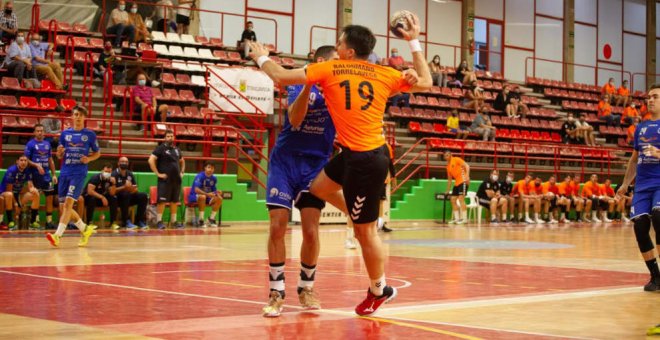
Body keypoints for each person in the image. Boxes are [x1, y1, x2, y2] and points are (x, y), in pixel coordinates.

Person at [247, 13, 432, 316]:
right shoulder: (382, 72)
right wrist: (413, 41)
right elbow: (426, 82)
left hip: (365, 160)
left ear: (346, 51)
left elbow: (279, 75)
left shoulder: (332, 68)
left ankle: (378, 289)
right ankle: (360, 216)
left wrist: (261, 57)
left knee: (364, 234)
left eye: (339, 42)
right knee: (317, 188)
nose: (337, 45)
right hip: (347, 155)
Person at [260, 45, 339, 317]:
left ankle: (306, 287)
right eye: (335, 60)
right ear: (320, 62)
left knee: (310, 230)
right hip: (285, 161)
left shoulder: (341, 90)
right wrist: (309, 83)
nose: (339, 64)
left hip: (316, 164)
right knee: (277, 225)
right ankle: (276, 290)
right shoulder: (300, 82)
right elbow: (295, 119)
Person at [617, 83, 660, 291]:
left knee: (659, 217)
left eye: (655, 97)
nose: (650, 100)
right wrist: (625, 184)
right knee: (640, 227)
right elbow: (634, 159)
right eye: (649, 97)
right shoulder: (641, 127)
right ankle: (655, 276)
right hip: (642, 186)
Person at [46, 106, 100, 248]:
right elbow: (59, 155)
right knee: (65, 208)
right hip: (65, 172)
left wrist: (88, 159)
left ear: (84, 118)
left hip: (79, 173)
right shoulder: (64, 134)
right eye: (75, 114)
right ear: (72, 117)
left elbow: (97, 153)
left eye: (80, 115)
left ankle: (57, 236)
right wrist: (59, 152)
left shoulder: (90, 134)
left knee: (69, 204)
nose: (77, 117)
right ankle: (84, 229)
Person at [148, 129, 185, 230]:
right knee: (162, 201)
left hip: (176, 180)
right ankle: (159, 221)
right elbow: (151, 160)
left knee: (174, 201)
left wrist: (182, 172)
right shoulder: (160, 148)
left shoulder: (177, 149)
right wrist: (158, 174)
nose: (170, 138)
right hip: (165, 180)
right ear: (165, 138)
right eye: (168, 136)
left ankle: (174, 222)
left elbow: (182, 160)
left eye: (172, 136)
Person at [24, 124, 58, 230]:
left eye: (41, 131)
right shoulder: (30, 144)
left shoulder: (47, 144)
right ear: (34, 132)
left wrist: (53, 174)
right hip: (34, 175)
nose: (40, 132)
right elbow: (26, 160)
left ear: (44, 132)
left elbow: (50, 160)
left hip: (46, 176)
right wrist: (36, 165)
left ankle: (49, 222)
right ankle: (35, 221)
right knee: (36, 196)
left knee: (50, 197)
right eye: (38, 131)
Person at [0, 156, 39, 230]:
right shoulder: (12, 170)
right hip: (5, 193)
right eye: (21, 160)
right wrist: (16, 203)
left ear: (27, 162)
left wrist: (33, 189)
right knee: (9, 195)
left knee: (35, 194)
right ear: (17, 161)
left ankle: (33, 222)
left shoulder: (27, 171)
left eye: (25, 160)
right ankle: (10, 222)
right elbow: (9, 190)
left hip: (18, 194)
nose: (23, 162)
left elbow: (30, 186)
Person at [112, 157, 148, 230]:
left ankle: (139, 220)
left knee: (143, 196)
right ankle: (126, 221)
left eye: (126, 162)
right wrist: (124, 187)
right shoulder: (114, 174)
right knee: (125, 194)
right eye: (122, 161)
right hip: (118, 199)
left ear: (128, 164)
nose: (124, 163)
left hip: (128, 197)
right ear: (118, 163)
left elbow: (135, 188)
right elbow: (112, 191)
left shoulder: (130, 174)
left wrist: (132, 189)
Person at [83, 163, 118, 228]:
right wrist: (102, 197)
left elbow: (112, 193)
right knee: (92, 199)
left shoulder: (110, 179)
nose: (108, 173)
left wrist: (114, 184)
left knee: (114, 198)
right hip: (89, 197)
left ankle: (113, 223)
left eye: (109, 172)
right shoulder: (95, 177)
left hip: (101, 199)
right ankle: (89, 223)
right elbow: (90, 191)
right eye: (106, 171)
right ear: (102, 171)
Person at [189, 163, 222, 228]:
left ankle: (211, 219)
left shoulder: (214, 178)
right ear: (205, 168)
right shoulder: (200, 176)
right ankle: (200, 220)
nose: (210, 169)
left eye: (212, 168)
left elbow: (213, 190)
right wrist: (207, 194)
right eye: (209, 167)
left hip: (207, 197)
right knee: (202, 196)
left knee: (219, 198)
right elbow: (196, 190)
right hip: (195, 195)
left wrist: (217, 193)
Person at [444, 151, 469, 224]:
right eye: (445, 156)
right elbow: (449, 179)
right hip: (457, 183)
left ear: (451, 155)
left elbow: (467, 166)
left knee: (461, 199)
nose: (447, 156)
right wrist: (447, 190)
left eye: (448, 155)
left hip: (463, 181)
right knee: (453, 199)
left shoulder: (456, 159)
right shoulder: (448, 167)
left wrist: (467, 175)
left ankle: (464, 219)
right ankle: (457, 219)